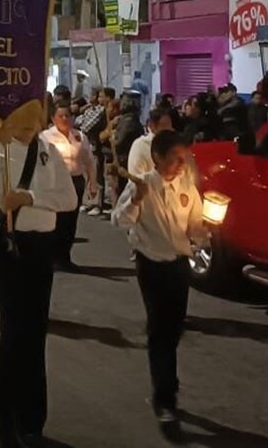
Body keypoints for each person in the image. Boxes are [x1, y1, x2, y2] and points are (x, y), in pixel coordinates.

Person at [0, 123, 77, 446]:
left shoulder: (49, 151)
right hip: (5, 242)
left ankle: (32, 418)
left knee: (36, 328)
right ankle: (6, 417)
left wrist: (31, 197)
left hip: (41, 245)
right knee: (13, 327)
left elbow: (68, 199)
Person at [113, 129, 208, 426]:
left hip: (178, 265)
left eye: (184, 159)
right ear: (156, 158)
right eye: (175, 159)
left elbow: (195, 227)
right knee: (159, 329)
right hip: (151, 264)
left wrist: (207, 229)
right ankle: (163, 396)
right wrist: (135, 201)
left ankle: (167, 379)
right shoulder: (143, 185)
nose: (181, 164)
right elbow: (120, 220)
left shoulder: (187, 187)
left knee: (175, 326)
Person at [41, 106, 98, 272]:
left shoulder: (79, 136)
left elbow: (89, 160)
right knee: (56, 220)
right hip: (55, 183)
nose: (64, 119)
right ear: (53, 119)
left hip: (75, 181)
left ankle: (65, 257)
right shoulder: (46, 137)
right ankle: (51, 257)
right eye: (61, 116)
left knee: (70, 221)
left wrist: (92, 182)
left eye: (67, 115)